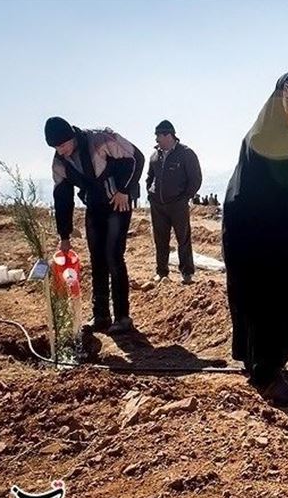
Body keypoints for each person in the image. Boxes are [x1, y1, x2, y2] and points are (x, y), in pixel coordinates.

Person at [222, 70, 288, 406]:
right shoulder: (263, 139)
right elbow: (272, 199)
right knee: (264, 297)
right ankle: (265, 374)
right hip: (256, 231)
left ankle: (266, 362)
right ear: (281, 104)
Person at [45, 116, 144, 334]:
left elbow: (136, 158)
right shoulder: (60, 162)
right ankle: (100, 316)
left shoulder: (99, 140)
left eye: (62, 145)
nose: (60, 151)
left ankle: (123, 317)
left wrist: (124, 190)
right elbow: (62, 198)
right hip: (95, 205)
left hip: (118, 201)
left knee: (113, 256)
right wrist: (64, 235)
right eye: (55, 147)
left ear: (71, 137)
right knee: (97, 258)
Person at [145, 120, 202, 285]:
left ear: (168, 135)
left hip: (178, 205)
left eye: (158, 136)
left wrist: (185, 197)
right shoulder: (155, 156)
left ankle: (187, 273)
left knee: (183, 238)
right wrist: (151, 193)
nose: (156, 140)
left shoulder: (186, 154)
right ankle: (161, 272)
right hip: (158, 205)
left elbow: (196, 178)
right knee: (160, 240)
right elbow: (150, 178)